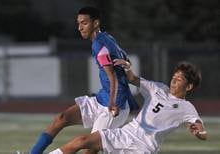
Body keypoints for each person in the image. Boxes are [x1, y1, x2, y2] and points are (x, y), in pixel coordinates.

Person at [30, 6, 138, 154]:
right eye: (79, 23)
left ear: (95, 23)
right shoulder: (107, 38)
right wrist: (127, 64)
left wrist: (112, 103)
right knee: (62, 118)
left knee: (88, 150)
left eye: (84, 23)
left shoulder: (99, 44)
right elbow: (124, 57)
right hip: (102, 98)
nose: (80, 27)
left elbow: (112, 77)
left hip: (113, 107)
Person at [49, 59, 207, 154]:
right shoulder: (158, 88)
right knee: (82, 141)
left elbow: (201, 130)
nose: (174, 80)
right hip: (124, 134)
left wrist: (199, 132)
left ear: (189, 87)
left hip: (143, 148)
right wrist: (126, 66)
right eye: (174, 77)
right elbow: (132, 79)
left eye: (179, 79)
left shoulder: (187, 107)